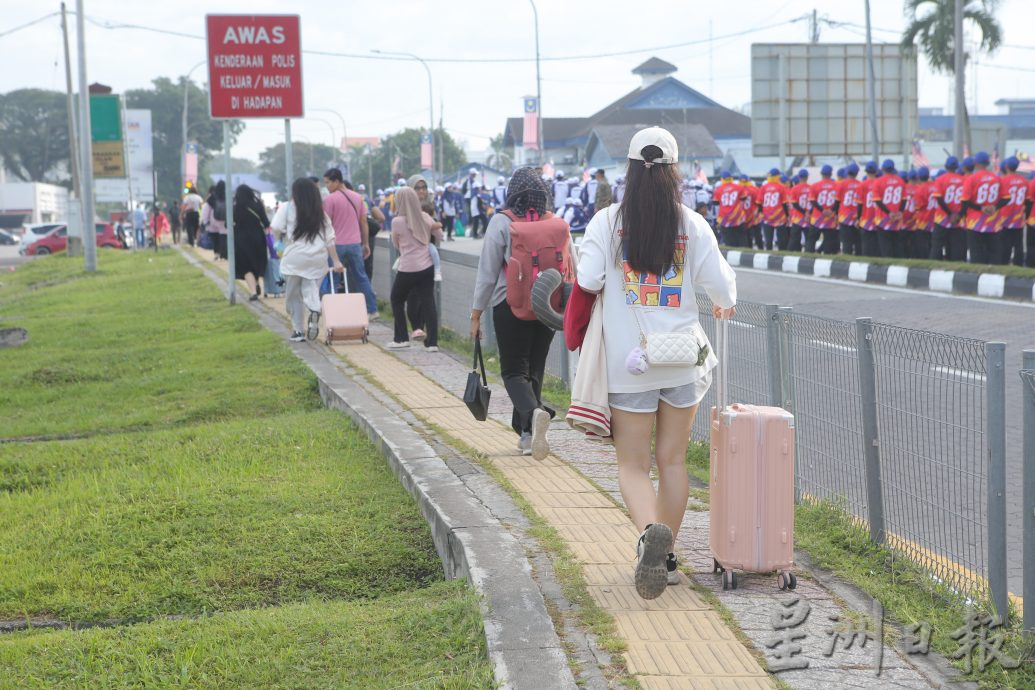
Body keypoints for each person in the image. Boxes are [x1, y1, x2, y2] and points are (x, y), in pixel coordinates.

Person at [577, 127, 736, 599]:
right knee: (672, 460)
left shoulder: (606, 223)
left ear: (628, 170)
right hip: (683, 359)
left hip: (631, 362)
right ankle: (666, 558)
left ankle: (651, 535)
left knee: (631, 464)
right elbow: (723, 288)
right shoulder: (691, 223)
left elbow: (587, 278)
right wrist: (724, 303)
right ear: (674, 171)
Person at [471, 167, 566, 458]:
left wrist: (476, 314)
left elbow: (487, 273)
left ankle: (533, 414)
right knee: (534, 368)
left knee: (514, 371)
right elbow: (569, 266)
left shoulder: (502, 221)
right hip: (547, 306)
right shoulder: (556, 223)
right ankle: (527, 435)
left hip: (509, 305)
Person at [279, 178, 346, 342]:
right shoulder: (321, 214)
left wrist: (277, 244)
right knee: (310, 288)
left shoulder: (287, 208)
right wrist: (336, 261)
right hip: (317, 258)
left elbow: (275, 227)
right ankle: (315, 308)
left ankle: (298, 330)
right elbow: (330, 239)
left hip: (294, 258)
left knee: (293, 295)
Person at [388, 186, 443, 351]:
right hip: (426, 267)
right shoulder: (425, 217)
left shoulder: (397, 222)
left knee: (397, 299)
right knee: (428, 302)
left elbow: (396, 243)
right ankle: (432, 343)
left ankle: (401, 338)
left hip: (407, 268)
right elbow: (439, 235)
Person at [322, 168, 378, 319]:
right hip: (355, 243)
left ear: (336, 181)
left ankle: (333, 312)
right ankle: (372, 310)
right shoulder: (358, 198)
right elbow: (364, 222)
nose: (326, 186)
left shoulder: (329, 200)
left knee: (333, 278)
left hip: (336, 245)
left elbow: (326, 225)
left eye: (328, 182)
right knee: (361, 276)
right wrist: (365, 243)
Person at [960, 151, 1004, 264]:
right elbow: (1006, 198)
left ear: (975, 163)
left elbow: (965, 201)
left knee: (976, 253)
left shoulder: (971, 179)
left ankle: (977, 277)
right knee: (993, 252)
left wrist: (980, 209)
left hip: (975, 222)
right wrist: (995, 207)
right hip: (992, 222)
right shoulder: (996, 178)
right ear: (988, 163)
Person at [231, 183, 271, 301]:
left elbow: (227, 224)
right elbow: (266, 223)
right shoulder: (257, 205)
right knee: (257, 263)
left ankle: (253, 292)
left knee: (246, 267)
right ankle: (257, 283)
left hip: (241, 241)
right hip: (257, 238)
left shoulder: (235, 208)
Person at [930, 157, 966, 261]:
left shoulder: (940, 179)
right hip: (958, 219)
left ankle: (934, 266)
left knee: (937, 245)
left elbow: (939, 198)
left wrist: (949, 214)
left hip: (942, 218)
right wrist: (959, 215)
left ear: (946, 166)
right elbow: (966, 200)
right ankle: (955, 267)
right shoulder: (963, 180)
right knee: (956, 246)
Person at [872, 159, 907, 258]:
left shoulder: (878, 181)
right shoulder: (900, 181)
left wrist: (888, 213)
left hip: (883, 219)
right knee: (897, 245)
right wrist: (900, 212)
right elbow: (904, 199)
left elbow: (877, 200)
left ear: (883, 169)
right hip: (897, 218)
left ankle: (887, 266)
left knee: (885, 246)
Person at [998, 157, 1028, 266]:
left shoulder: (1002, 180)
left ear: (1006, 167)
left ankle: (1004, 264)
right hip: (1018, 218)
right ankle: (1018, 264)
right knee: (1018, 245)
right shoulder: (1024, 181)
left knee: (1005, 245)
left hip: (1003, 218)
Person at [808, 165, 839, 254]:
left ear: (821, 174)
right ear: (831, 174)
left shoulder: (814, 186)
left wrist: (822, 210)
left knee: (811, 239)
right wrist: (832, 211)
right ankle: (827, 257)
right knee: (829, 240)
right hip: (831, 217)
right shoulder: (836, 185)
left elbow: (813, 201)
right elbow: (838, 201)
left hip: (817, 217)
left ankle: (809, 257)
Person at [759, 168, 789, 251]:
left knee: (768, 239)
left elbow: (759, 202)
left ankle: (768, 252)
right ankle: (781, 254)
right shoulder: (782, 187)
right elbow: (784, 203)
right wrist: (787, 215)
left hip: (767, 216)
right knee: (781, 239)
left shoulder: (764, 187)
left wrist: (761, 213)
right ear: (777, 176)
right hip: (780, 216)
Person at [837, 163, 863, 256]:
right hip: (857, 217)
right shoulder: (861, 184)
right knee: (858, 242)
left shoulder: (841, 184)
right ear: (857, 173)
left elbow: (837, 201)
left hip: (844, 217)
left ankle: (847, 259)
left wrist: (835, 214)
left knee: (846, 242)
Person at [712, 171, 743, 246]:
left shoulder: (718, 189)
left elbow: (715, 203)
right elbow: (743, 198)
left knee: (728, 241)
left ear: (722, 179)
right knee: (739, 240)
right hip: (737, 217)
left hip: (724, 217)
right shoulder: (739, 187)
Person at [202, 181, 228, 259]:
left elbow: (206, 209)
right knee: (224, 236)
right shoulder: (228, 196)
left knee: (215, 237)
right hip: (225, 219)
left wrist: (205, 221)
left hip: (213, 219)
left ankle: (217, 252)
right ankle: (224, 254)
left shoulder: (212, 197)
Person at [788, 170, 811, 252]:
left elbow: (794, 204)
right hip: (809, 218)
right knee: (809, 239)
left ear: (799, 177)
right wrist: (808, 213)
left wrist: (804, 213)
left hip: (797, 217)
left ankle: (792, 253)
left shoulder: (794, 189)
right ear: (807, 177)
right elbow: (814, 203)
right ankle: (809, 254)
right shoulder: (811, 188)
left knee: (794, 238)